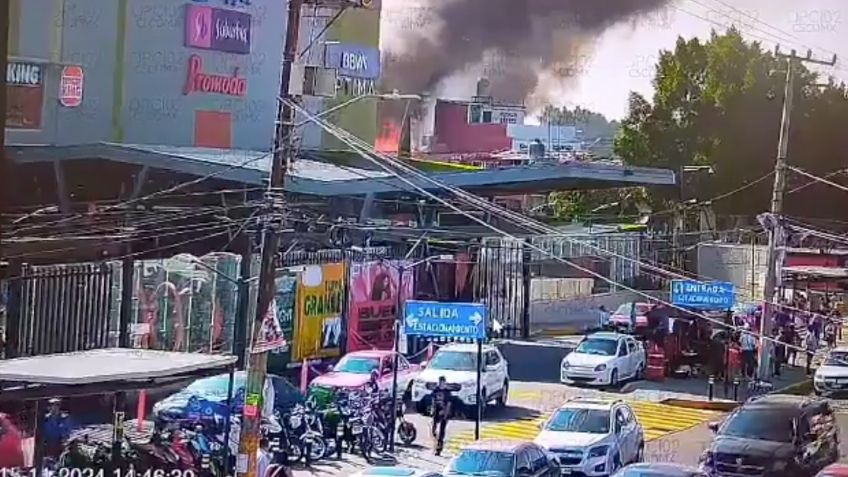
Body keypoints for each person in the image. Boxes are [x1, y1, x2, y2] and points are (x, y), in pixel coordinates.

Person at [430, 376, 454, 456]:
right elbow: (433, 400)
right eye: (440, 382)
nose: (441, 384)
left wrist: (445, 413)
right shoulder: (436, 390)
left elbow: (449, 404)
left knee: (441, 432)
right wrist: (432, 409)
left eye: (442, 382)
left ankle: (439, 448)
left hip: (444, 412)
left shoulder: (447, 392)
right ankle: (436, 443)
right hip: (436, 411)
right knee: (433, 429)